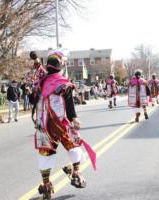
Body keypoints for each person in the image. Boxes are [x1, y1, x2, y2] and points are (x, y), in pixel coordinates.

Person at [32, 50, 96, 200]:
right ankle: (76, 173)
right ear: (60, 67)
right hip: (60, 124)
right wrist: (74, 119)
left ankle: (47, 184)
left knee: (45, 154)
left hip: (43, 126)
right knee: (74, 146)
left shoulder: (40, 82)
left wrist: (37, 61)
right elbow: (69, 104)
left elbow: (38, 70)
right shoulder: (63, 83)